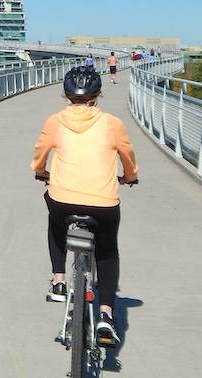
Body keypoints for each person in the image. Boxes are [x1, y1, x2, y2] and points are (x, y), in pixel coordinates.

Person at [30, 66, 138, 347]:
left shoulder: (55, 121)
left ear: (66, 95)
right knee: (107, 250)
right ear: (98, 94)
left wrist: (40, 170)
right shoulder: (112, 123)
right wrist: (130, 176)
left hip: (63, 200)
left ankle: (59, 280)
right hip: (103, 203)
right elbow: (127, 154)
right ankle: (105, 315)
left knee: (55, 222)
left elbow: (40, 153)